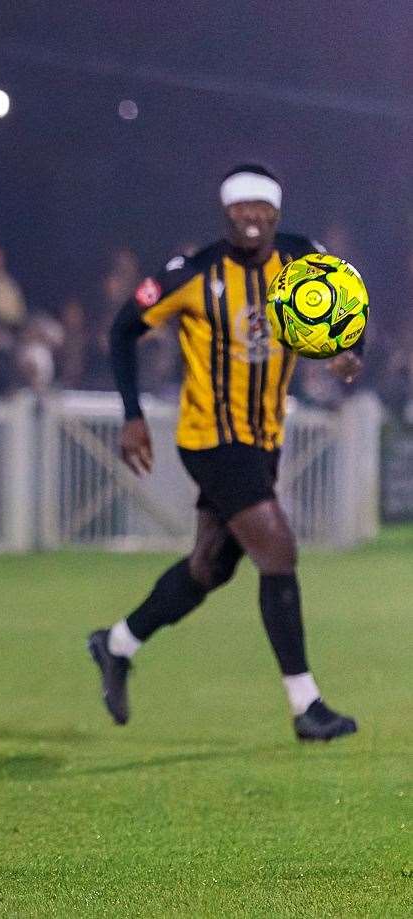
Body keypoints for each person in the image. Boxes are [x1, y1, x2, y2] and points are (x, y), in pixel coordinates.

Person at [88, 164, 362, 741]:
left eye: (262, 207)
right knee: (279, 550)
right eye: (241, 208)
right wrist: (132, 415)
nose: (252, 217)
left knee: (209, 568)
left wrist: (344, 351)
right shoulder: (193, 272)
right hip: (211, 440)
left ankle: (116, 643)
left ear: (277, 214)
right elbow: (122, 329)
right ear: (226, 213)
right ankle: (306, 705)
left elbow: (349, 313)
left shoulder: (305, 260)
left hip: (263, 440)